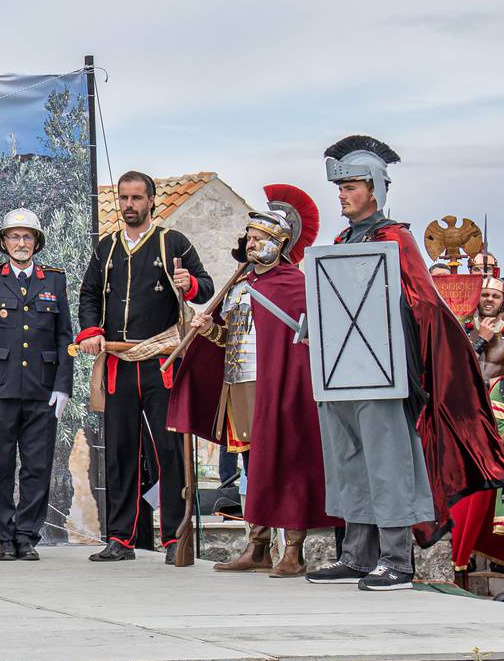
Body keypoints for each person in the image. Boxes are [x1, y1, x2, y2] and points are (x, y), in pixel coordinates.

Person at [307, 136, 504, 590]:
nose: (342, 194)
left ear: (374, 187)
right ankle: (356, 555)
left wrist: (408, 355)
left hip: (384, 373)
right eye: (339, 187)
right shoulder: (341, 239)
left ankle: (396, 560)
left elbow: (425, 307)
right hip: (342, 373)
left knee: (387, 463)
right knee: (350, 461)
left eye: (350, 185)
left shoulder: (395, 238)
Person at [168, 186, 337, 577]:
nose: (252, 243)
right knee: (251, 464)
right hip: (239, 385)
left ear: (279, 244)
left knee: (290, 464)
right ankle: (257, 544)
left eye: (260, 238)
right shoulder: (240, 286)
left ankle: (293, 550)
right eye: (250, 238)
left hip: (280, 387)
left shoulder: (296, 285)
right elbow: (231, 339)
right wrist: (210, 329)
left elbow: (300, 344)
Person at [75, 171, 213, 562]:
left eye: (137, 198)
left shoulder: (174, 242)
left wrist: (190, 284)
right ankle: (121, 538)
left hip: (161, 361)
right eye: (123, 198)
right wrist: (90, 330)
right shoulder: (106, 248)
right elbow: (88, 294)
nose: (129, 205)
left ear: (152, 200)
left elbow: (204, 286)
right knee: (119, 451)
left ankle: (174, 538)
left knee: (168, 450)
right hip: (119, 360)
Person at [0, 208, 72, 561]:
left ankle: (27, 535)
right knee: (0, 464)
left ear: (37, 242)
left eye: (28, 236)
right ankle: (3, 533)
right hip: (1, 386)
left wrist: (63, 385)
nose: (21, 242)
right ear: (3, 241)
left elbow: (64, 336)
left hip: (43, 388)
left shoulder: (54, 280)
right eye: (14, 236)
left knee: (37, 466)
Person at [466, 275, 504, 394]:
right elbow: (458, 367)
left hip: (497, 402)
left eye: (496, 296)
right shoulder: (463, 330)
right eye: (484, 295)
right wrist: (481, 339)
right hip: (467, 398)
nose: (490, 299)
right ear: (476, 299)